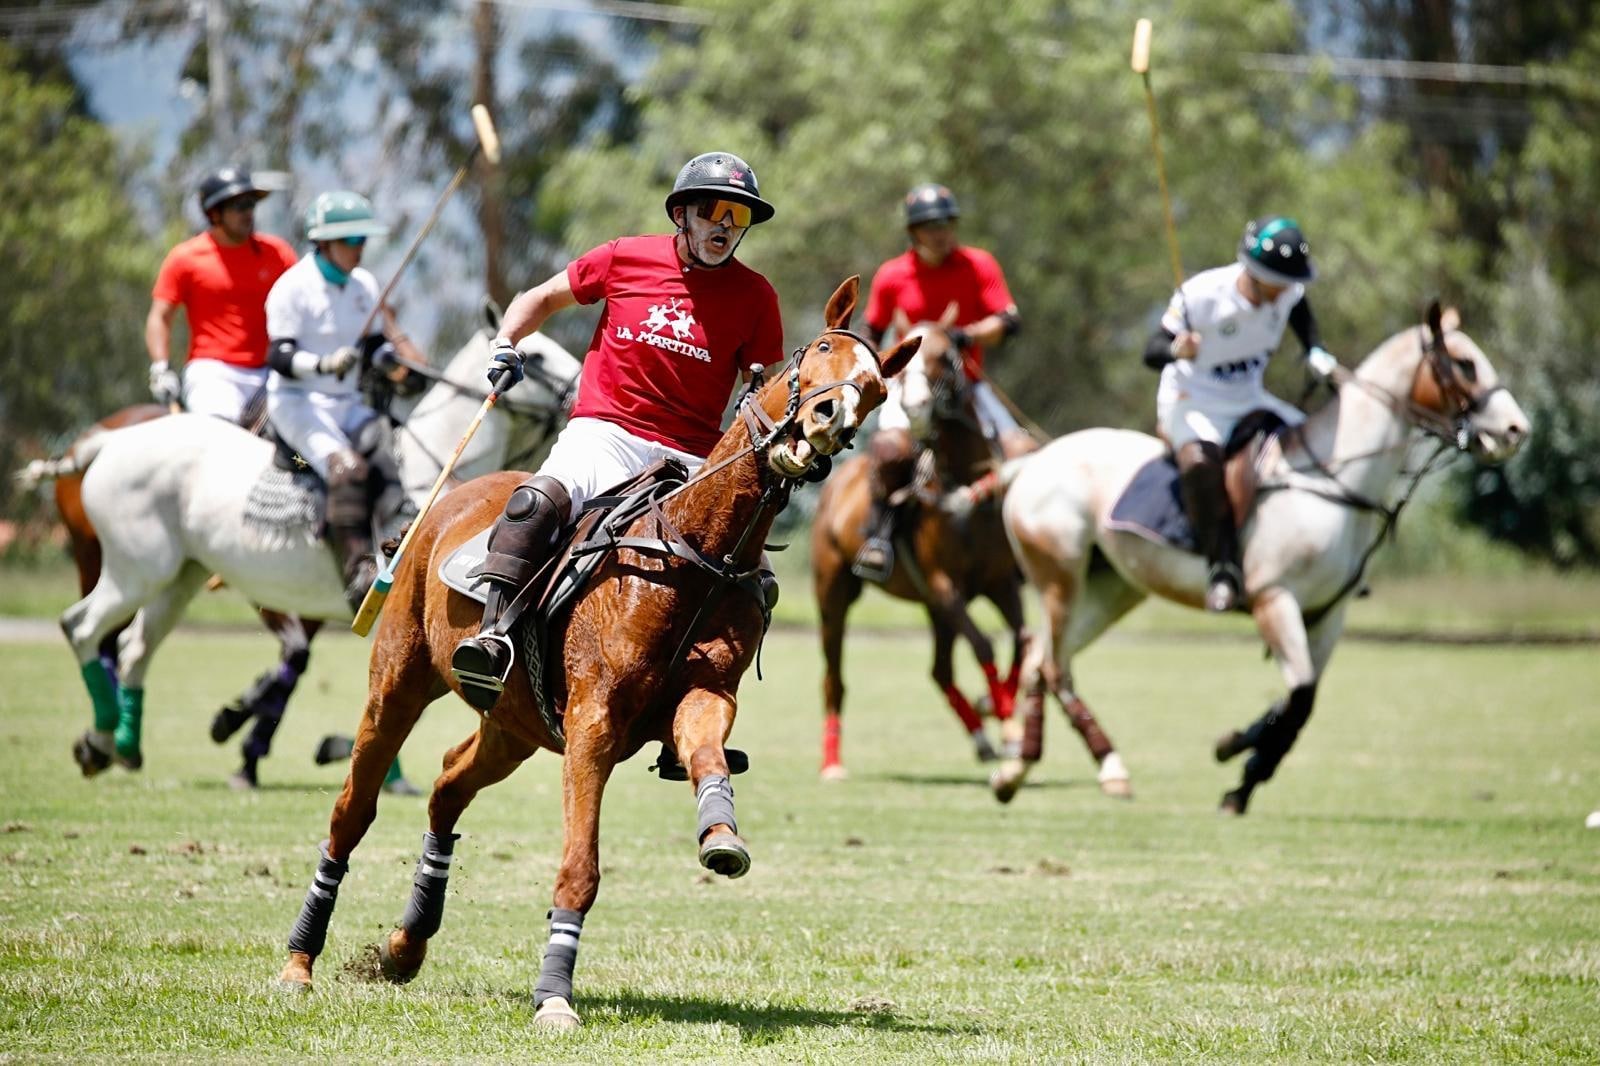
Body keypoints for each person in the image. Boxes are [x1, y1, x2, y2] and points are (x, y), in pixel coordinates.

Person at [450, 150, 783, 711]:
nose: (724, 226)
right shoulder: (625, 257)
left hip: (691, 458)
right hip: (606, 431)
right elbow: (540, 298)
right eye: (712, 211)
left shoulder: (756, 297)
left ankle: (704, 692)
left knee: (754, 582)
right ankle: (494, 635)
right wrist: (506, 341)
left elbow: (759, 382)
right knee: (536, 504)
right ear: (683, 214)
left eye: (738, 217)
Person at [1140, 215, 1339, 613]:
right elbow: (1150, 351)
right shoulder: (1201, 294)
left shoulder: (1286, 293)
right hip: (1192, 399)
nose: (1284, 290)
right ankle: (1222, 569)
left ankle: (1324, 562)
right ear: (1253, 271)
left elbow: (1302, 314)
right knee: (1200, 463)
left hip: (1247, 397)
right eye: (1276, 281)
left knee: (1314, 445)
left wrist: (1315, 350)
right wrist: (1177, 349)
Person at [852, 182, 1024, 582]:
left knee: (1019, 451)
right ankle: (878, 538)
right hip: (909, 384)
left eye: (946, 223)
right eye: (930, 225)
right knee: (891, 452)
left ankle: (1020, 541)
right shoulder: (893, 274)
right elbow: (872, 329)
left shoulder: (978, 264)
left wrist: (967, 336)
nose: (940, 232)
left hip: (966, 384)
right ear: (914, 231)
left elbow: (1008, 320)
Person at [264, 190, 423, 610]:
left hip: (346, 401)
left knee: (384, 448)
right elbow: (277, 357)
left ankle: (401, 544)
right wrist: (322, 365)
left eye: (362, 240)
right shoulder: (292, 288)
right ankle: (357, 571)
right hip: (298, 402)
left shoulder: (363, 285)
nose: (360, 248)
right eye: (351, 241)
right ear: (324, 242)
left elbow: (372, 345)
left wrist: (390, 361)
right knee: (347, 467)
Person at [146, 167, 299, 420]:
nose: (249, 213)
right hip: (213, 372)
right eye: (240, 206)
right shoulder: (185, 258)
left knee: (301, 451)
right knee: (222, 438)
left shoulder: (278, 253)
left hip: (272, 372)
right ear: (215, 213)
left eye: (251, 204)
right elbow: (160, 317)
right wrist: (160, 367)